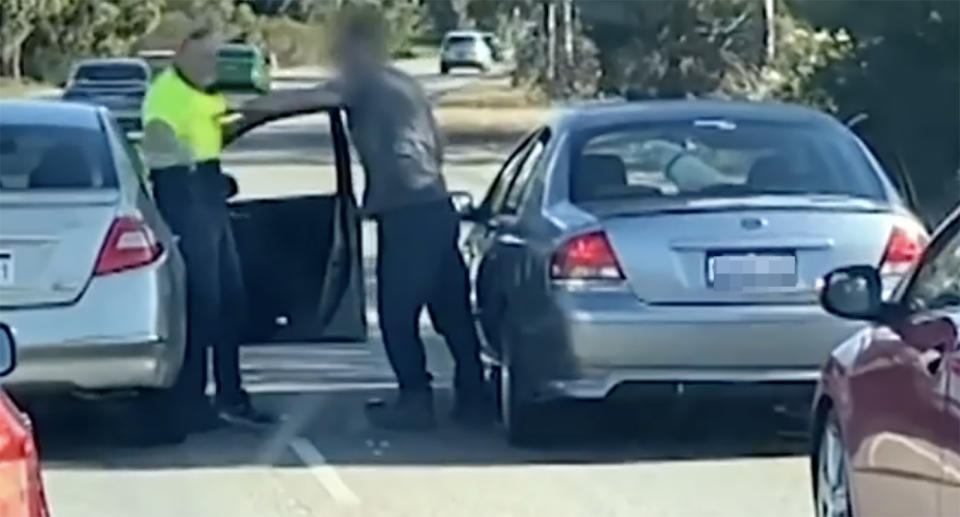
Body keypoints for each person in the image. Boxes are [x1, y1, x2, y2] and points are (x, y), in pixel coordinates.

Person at [246, 10, 491, 430]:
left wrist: (241, 110)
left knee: (397, 313)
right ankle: (475, 395)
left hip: (407, 214)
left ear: (357, 48)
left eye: (341, 51)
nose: (337, 59)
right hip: (435, 204)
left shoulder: (363, 82)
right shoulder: (404, 84)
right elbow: (438, 143)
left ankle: (415, 399)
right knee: (451, 308)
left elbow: (299, 100)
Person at [140, 26, 274, 429]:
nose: (208, 64)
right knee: (203, 305)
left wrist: (253, 113)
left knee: (231, 303)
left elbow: (213, 129)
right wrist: (176, 155)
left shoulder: (205, 94)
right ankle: (192, 402)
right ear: (179, 53)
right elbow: (157, 140)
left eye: (213, 58)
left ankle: (231, 396)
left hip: (209, 198)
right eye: (201, 56)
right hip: (185, 196)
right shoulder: (166, 93)